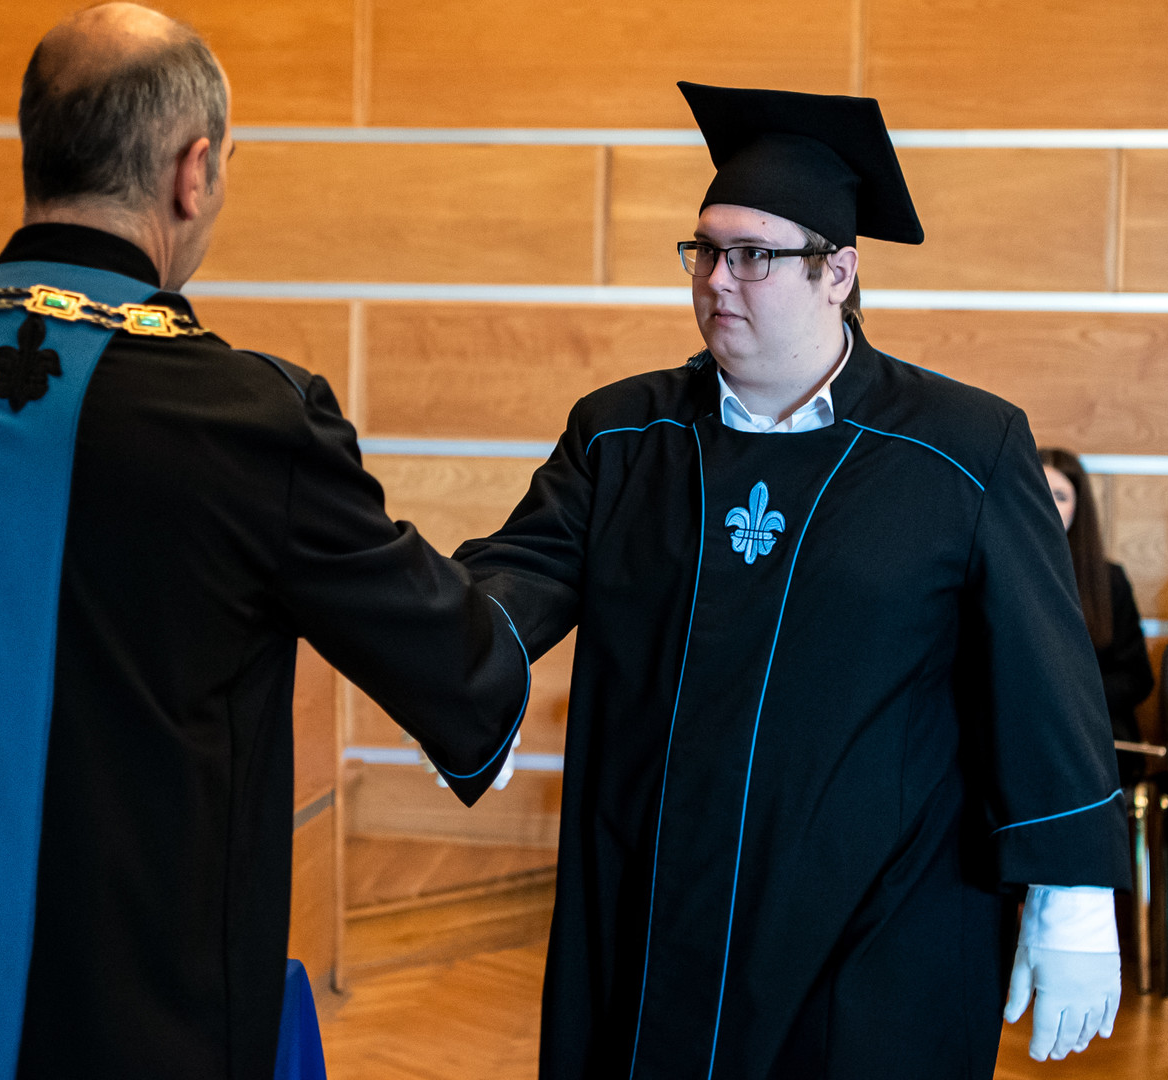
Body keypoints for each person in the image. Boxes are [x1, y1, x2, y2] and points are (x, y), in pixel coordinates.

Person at [0, 6, 525, 1077]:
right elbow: (463, 664)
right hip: (126, 1025)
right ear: (193, 171)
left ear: (37, 150)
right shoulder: (255, 423)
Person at [455, 82, 1129, 1078]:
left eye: (753, 256)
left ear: (838, 272)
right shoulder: (622, 434)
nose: (717, 280)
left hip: (875, 923)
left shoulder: (962, 448)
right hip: (654, 904)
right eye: (704, 251)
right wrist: (461, 675)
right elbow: (520, 572)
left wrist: (1073, 891)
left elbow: (1042, 673)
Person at [1039, 448, 1155, 783]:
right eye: (1037, 490)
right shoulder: (990, 572)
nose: (1046, 504)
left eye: (1060, 496)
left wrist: (1072, 697)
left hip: (1091, 733)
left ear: (1078, 508)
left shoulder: (1109, 580)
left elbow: (1137, 677)